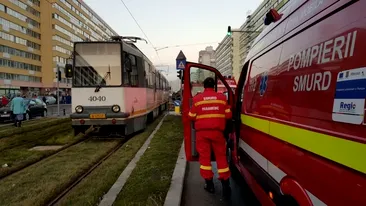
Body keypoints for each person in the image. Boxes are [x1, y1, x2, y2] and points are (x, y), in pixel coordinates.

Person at [187, 77, 232, 199]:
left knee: (205, 159)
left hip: (202, 134)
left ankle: (209, 184)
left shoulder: (197, 99)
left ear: (204, 86)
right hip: (218, 133)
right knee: (221, 158)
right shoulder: (222, 98)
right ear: (214, 86)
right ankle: (226, 185)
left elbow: (191, 116)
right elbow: (228, 115)